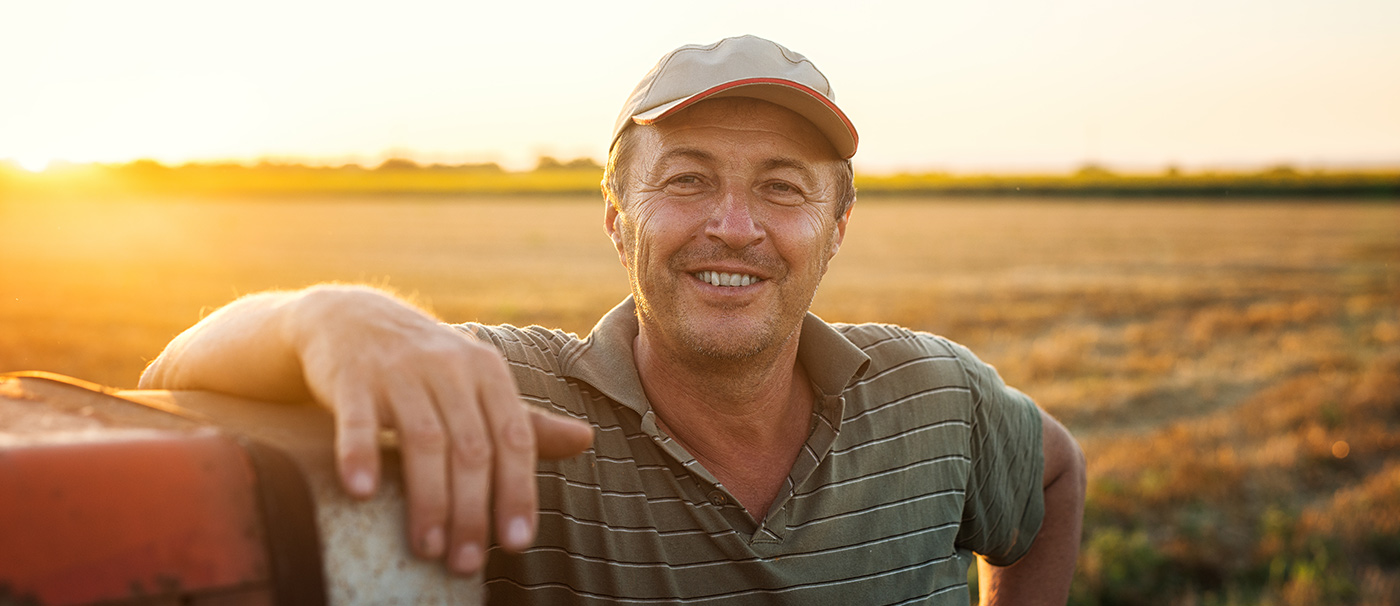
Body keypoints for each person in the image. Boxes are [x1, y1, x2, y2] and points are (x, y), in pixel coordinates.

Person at [141, 35, 1086, 605]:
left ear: (836, 228)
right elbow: (171, 377)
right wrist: (327, 319)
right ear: (614, 216)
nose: (733, 226)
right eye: (687, 180)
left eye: (781, 189)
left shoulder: (934, 394)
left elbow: (1056, 472)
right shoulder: (505, 399)